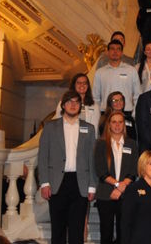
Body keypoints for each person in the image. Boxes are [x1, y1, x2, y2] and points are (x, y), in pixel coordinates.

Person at [37, 91, 97, 244]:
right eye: (69, 102)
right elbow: (43, 156)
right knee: (58, 230)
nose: (73, 105)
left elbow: (92, 159)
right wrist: (44, 183)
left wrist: (92, 186)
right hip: (57, 183)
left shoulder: (89, 129)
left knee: (77, 231)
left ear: (80, 106)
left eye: (76, 102)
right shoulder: (50, 127)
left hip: (80, 183)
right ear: (63, 105)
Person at [94, 111, 138, 244]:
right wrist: (118, 185)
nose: (117, 125)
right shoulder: (101, 144)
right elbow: (101, 171)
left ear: (124, 124)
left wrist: (120, 188)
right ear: (109, 125)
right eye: (114, 122)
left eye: (120, 122)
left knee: (123, 233)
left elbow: (133, 170)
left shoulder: (131, 144)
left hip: (125, 195)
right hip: (106, 193)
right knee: (106, 233)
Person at [93, 39, 141, 114]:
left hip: (127, 112)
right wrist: (97, 115)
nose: (115, 52)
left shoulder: (131, 70)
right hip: (106, 112)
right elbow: (95, 97)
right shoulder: (100, 72)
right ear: (108, 52)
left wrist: (134, 113)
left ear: (122, 53)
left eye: (118, 49)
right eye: (112, 49)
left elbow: (137, 95)